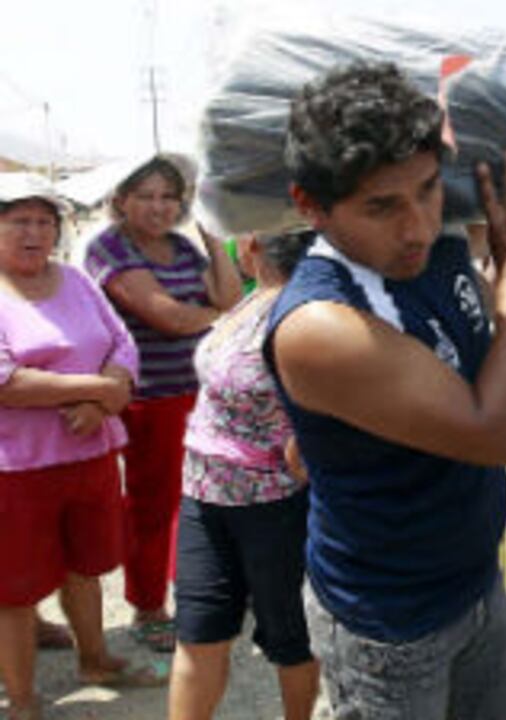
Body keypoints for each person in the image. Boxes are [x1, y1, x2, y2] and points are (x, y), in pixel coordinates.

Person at [265, 62, 506, 719]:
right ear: (310, 204)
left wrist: (500, 269)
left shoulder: (440, 247)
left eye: (428, 191)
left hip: (475, 582)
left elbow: (479, 347)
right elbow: (497, 433)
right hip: (390, 622)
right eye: (382, 206)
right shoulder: (322, 323)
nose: (418, 227)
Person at [0, 175, 165, 720]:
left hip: (89, 454)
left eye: (44, 221)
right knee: (16, 590)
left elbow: (121, 340)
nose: (34, 232)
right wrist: (96, 388)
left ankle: (95, 660)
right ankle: (23, 699)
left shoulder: (74, 279)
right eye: (19, 220)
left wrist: (102, 404)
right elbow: (5, 381)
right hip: (16, 467)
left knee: (86, 566)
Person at [82, 155, 242, 652]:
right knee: (153, 505)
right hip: (148, 398)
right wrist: (216, 314)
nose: (159, 206)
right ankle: (148, 605)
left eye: (169, 197)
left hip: (197, 392)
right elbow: (168, 317)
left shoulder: (182, 246)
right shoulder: (108, 247)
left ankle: (197, 589)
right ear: (121, 200)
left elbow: (231, 292)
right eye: (146, 196)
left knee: (201, 501)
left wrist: (213, 237)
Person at [168, 230, 319, 720]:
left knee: (289, 639)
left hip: (274, 504)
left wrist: (302, 453)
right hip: (205, 495)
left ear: (253, 245)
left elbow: (320, 416)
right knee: (198, 632)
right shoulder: (251, 303)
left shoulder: (305, 314)